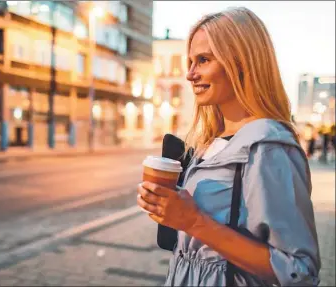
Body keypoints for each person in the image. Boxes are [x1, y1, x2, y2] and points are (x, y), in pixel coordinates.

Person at [137, 7, 320, 286]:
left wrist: (193, 222)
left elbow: (299, 270)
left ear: (242, 63)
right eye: (190, 62)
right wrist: (168, 210)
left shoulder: (267, 147)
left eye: (204, 60)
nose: (190, 74)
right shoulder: (208, 142)